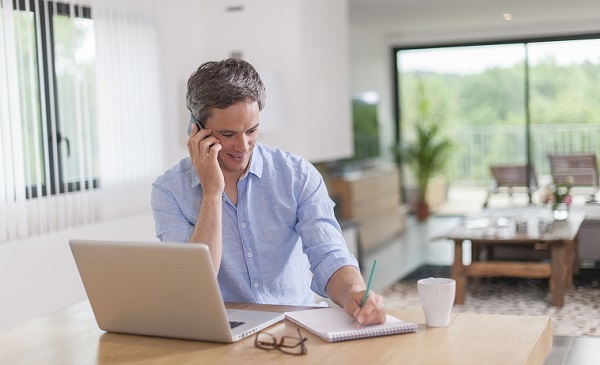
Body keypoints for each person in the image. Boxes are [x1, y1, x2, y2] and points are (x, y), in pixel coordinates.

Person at [151, 58, 386, 326]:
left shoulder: (297, 174)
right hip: (222, 331)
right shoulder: (169, 191)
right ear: (196, 130)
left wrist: (353, 291)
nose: (243, 145)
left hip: (294, 325)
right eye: (228, 134)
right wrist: (212, 194)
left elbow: (328, 253)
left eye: (252, 130)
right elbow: (193, 286)